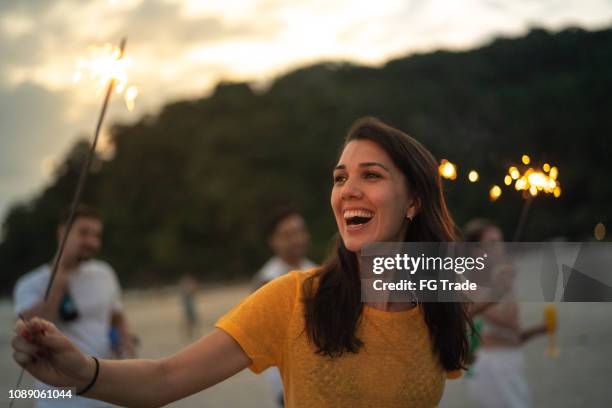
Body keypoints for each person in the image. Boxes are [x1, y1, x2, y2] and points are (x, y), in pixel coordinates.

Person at [12, 117, 471, 408]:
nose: (347, 188)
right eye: (339, 178)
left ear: (413, 199)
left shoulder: (441, 303)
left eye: (370, 175)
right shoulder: (294, 298)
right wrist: (83, 373)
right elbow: (165, 378)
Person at [13, 204, 134, 408]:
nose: (92, 241)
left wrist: (125, 340)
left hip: (104, 387)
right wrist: (60, 277)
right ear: (63, 232)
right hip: (58, 397)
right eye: (84, 233)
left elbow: (116, 315)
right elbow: (30, 329)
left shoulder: (105, 273)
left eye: (96, 235)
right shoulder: (30, 283)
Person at [463, 218, 548, 408]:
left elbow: (514, 334)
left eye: (500, 241)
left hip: (511, 360)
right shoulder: (474, 286)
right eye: (492, 243)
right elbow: (507, 321)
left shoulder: (499, 280)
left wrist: (540, 329)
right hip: (493, 366)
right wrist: (502, 288)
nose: (500, 247)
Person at [252, 206, 318, 406]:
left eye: (299, 231)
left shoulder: (316, 271)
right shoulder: (267, 280)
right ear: (273, 241)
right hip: (287, 380)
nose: (297, 239)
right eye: (288, 235)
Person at [179, 273, 200, 338]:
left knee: (192, 320)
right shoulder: (185, 288)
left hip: (190, 306)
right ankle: (189, 333)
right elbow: (190, 292)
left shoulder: (185, 288)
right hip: (189, 306)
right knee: (190, 320)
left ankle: (190, 333)